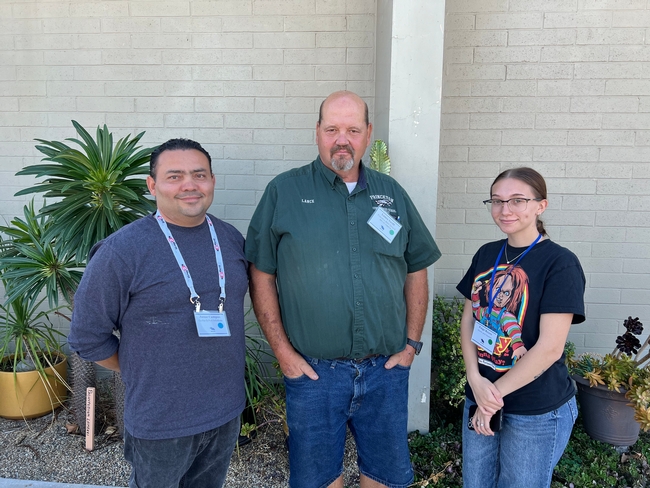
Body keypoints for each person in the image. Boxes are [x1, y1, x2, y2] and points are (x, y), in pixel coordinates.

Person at [246, 90, 441, 488]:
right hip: (314, 373)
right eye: (332, 128)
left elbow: (415, 266)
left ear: (368, 134)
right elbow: (260, 272)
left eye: (352, 129)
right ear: (317, 132)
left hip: (385, 370)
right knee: (318, 480)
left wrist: (411, 346)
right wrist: (282, 353)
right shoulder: (283, 192)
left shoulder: (392, 194)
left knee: (384, 476)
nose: (342, 139)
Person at [68, 139, 248, 488]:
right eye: (174, 176)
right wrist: (137, 365)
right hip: (161, 420)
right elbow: (87, 336)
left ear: (212, 180)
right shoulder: (122, 251)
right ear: (152, 185)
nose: (189, 185)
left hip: (225, 412)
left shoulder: (230, 239)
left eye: (199, 174)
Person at [457, 167, 585, 488]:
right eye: (497, 201)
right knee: (477, 483)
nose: (505, 210)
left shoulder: (560, 263)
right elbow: (469, 318)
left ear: (541, 205)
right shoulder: (487, 254)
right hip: (481, 394)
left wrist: (492, 396)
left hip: (535, 410)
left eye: (517, 200)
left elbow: (549, 348)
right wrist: (474, 379)